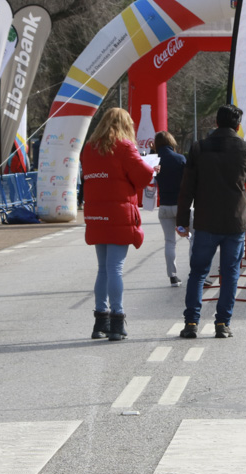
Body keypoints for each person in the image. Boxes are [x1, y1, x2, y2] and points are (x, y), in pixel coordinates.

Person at [176, 104, 246, 339]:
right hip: (234, 222)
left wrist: (182, 221)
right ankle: (222, 323)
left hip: (205, 221)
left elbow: (187, 188)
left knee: (198, 273)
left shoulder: (199, 148)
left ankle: (191, 322)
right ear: (238, 125)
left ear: (216, 123)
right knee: (230, 273)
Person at [81, 107, 155, 341]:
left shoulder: (89, 149)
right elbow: (142, 176)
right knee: (115, 269)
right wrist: (153, 168)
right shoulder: (124, 147)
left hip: (96, 215)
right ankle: (117, 320)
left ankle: (100, 321)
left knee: (103, 269)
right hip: (118, 215)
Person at [153, 131, 186, 287]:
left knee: (169, 241)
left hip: (164, 206)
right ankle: (197, 273)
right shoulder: (180, 159)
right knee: (193, 237)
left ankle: (172, 276)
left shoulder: (155, 161)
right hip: (181, 206)